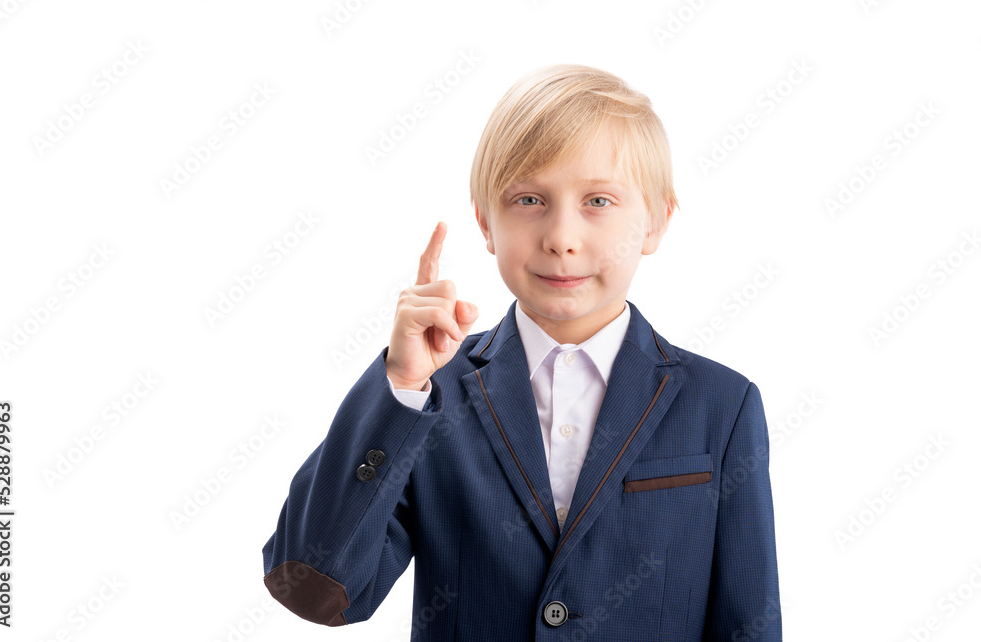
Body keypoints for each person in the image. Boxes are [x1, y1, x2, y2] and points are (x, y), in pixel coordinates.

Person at [261, 64, 782, 640]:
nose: (561, 238)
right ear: (486, 223)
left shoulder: (723, 404)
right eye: (530, 199)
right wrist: (401, 386)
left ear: (656, 221)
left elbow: (749, 622)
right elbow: (313, 590)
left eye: (598, 201)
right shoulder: (430, 398)